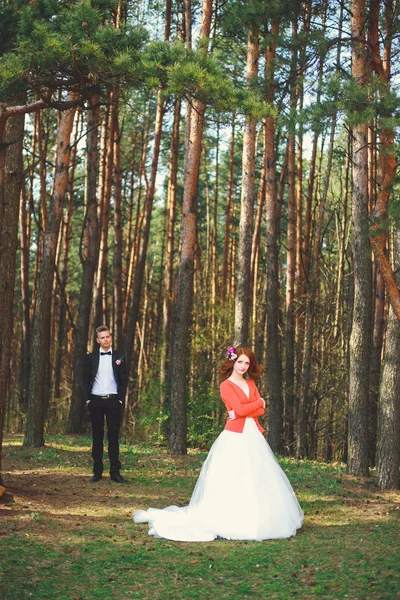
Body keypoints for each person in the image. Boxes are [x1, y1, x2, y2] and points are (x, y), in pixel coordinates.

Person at [133, 346, 303, 541]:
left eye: (247, 363)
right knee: (233, 477)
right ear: (232, 362)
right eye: (240, 362)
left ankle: (258, 517)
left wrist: (250, 408)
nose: (243, 366)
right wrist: (259, 403)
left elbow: (255, 412)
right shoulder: (226, 386)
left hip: (253, 435)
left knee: (257, 475)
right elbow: (240, 409)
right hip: (234, 436)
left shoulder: (251, 384)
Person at [83, 325, 128, 483]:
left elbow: (124, 379)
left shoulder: (119, 356)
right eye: (102, 337)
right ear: (97, 340)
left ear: (111, 337)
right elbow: (85, 380)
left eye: (107, 336)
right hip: (95, 400)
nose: (106, 339)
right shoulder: (90, 358)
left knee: (114, 438)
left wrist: (120, 399)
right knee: (97, 438)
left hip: (113, 400)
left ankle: (115, 472)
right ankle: (97, 472)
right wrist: (87, 399)